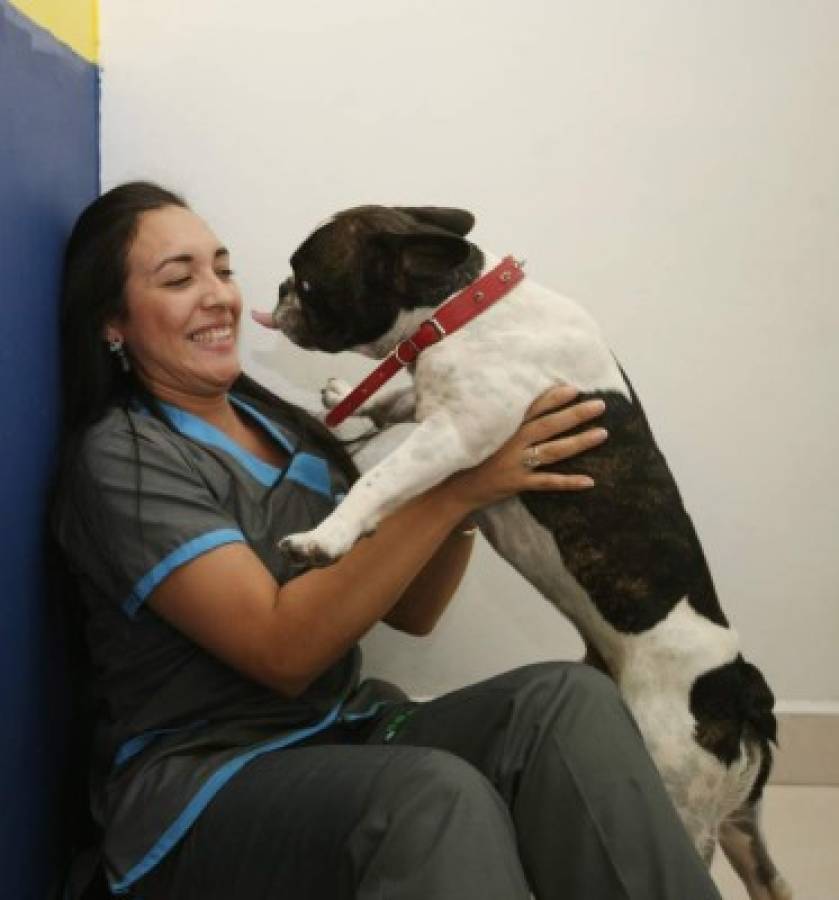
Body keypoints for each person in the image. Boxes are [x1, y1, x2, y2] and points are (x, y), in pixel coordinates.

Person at [52, 181, 722, 900]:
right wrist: (459, 485)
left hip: (342, 728)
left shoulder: (280, 425)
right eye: (180, 278)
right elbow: (285, 655)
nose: (218, 295)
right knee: (432, 795)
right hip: (206, 783)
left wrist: (474, 478)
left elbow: (412, 610)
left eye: (222, 268)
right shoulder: (126, 458)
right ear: (111, 322)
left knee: (566, 699)